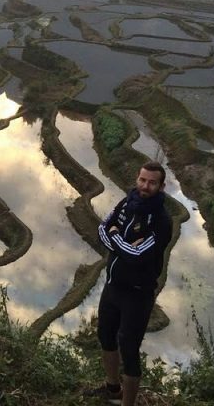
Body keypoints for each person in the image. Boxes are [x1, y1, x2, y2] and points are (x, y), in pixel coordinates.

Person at [90, 162, 172, 405]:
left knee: (129, 348)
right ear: (137, 179)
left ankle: (128, 403)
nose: (145, 186)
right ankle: (112, 388)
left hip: (137, 295)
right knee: (105, 336)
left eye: (151, 182)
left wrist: (115, 235)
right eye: (142, 180)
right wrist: (120, 241)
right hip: (113, 285)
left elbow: (136, 255)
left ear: (161, 186)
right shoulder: (126, 203)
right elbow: (101, 229)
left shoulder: (161, 221)